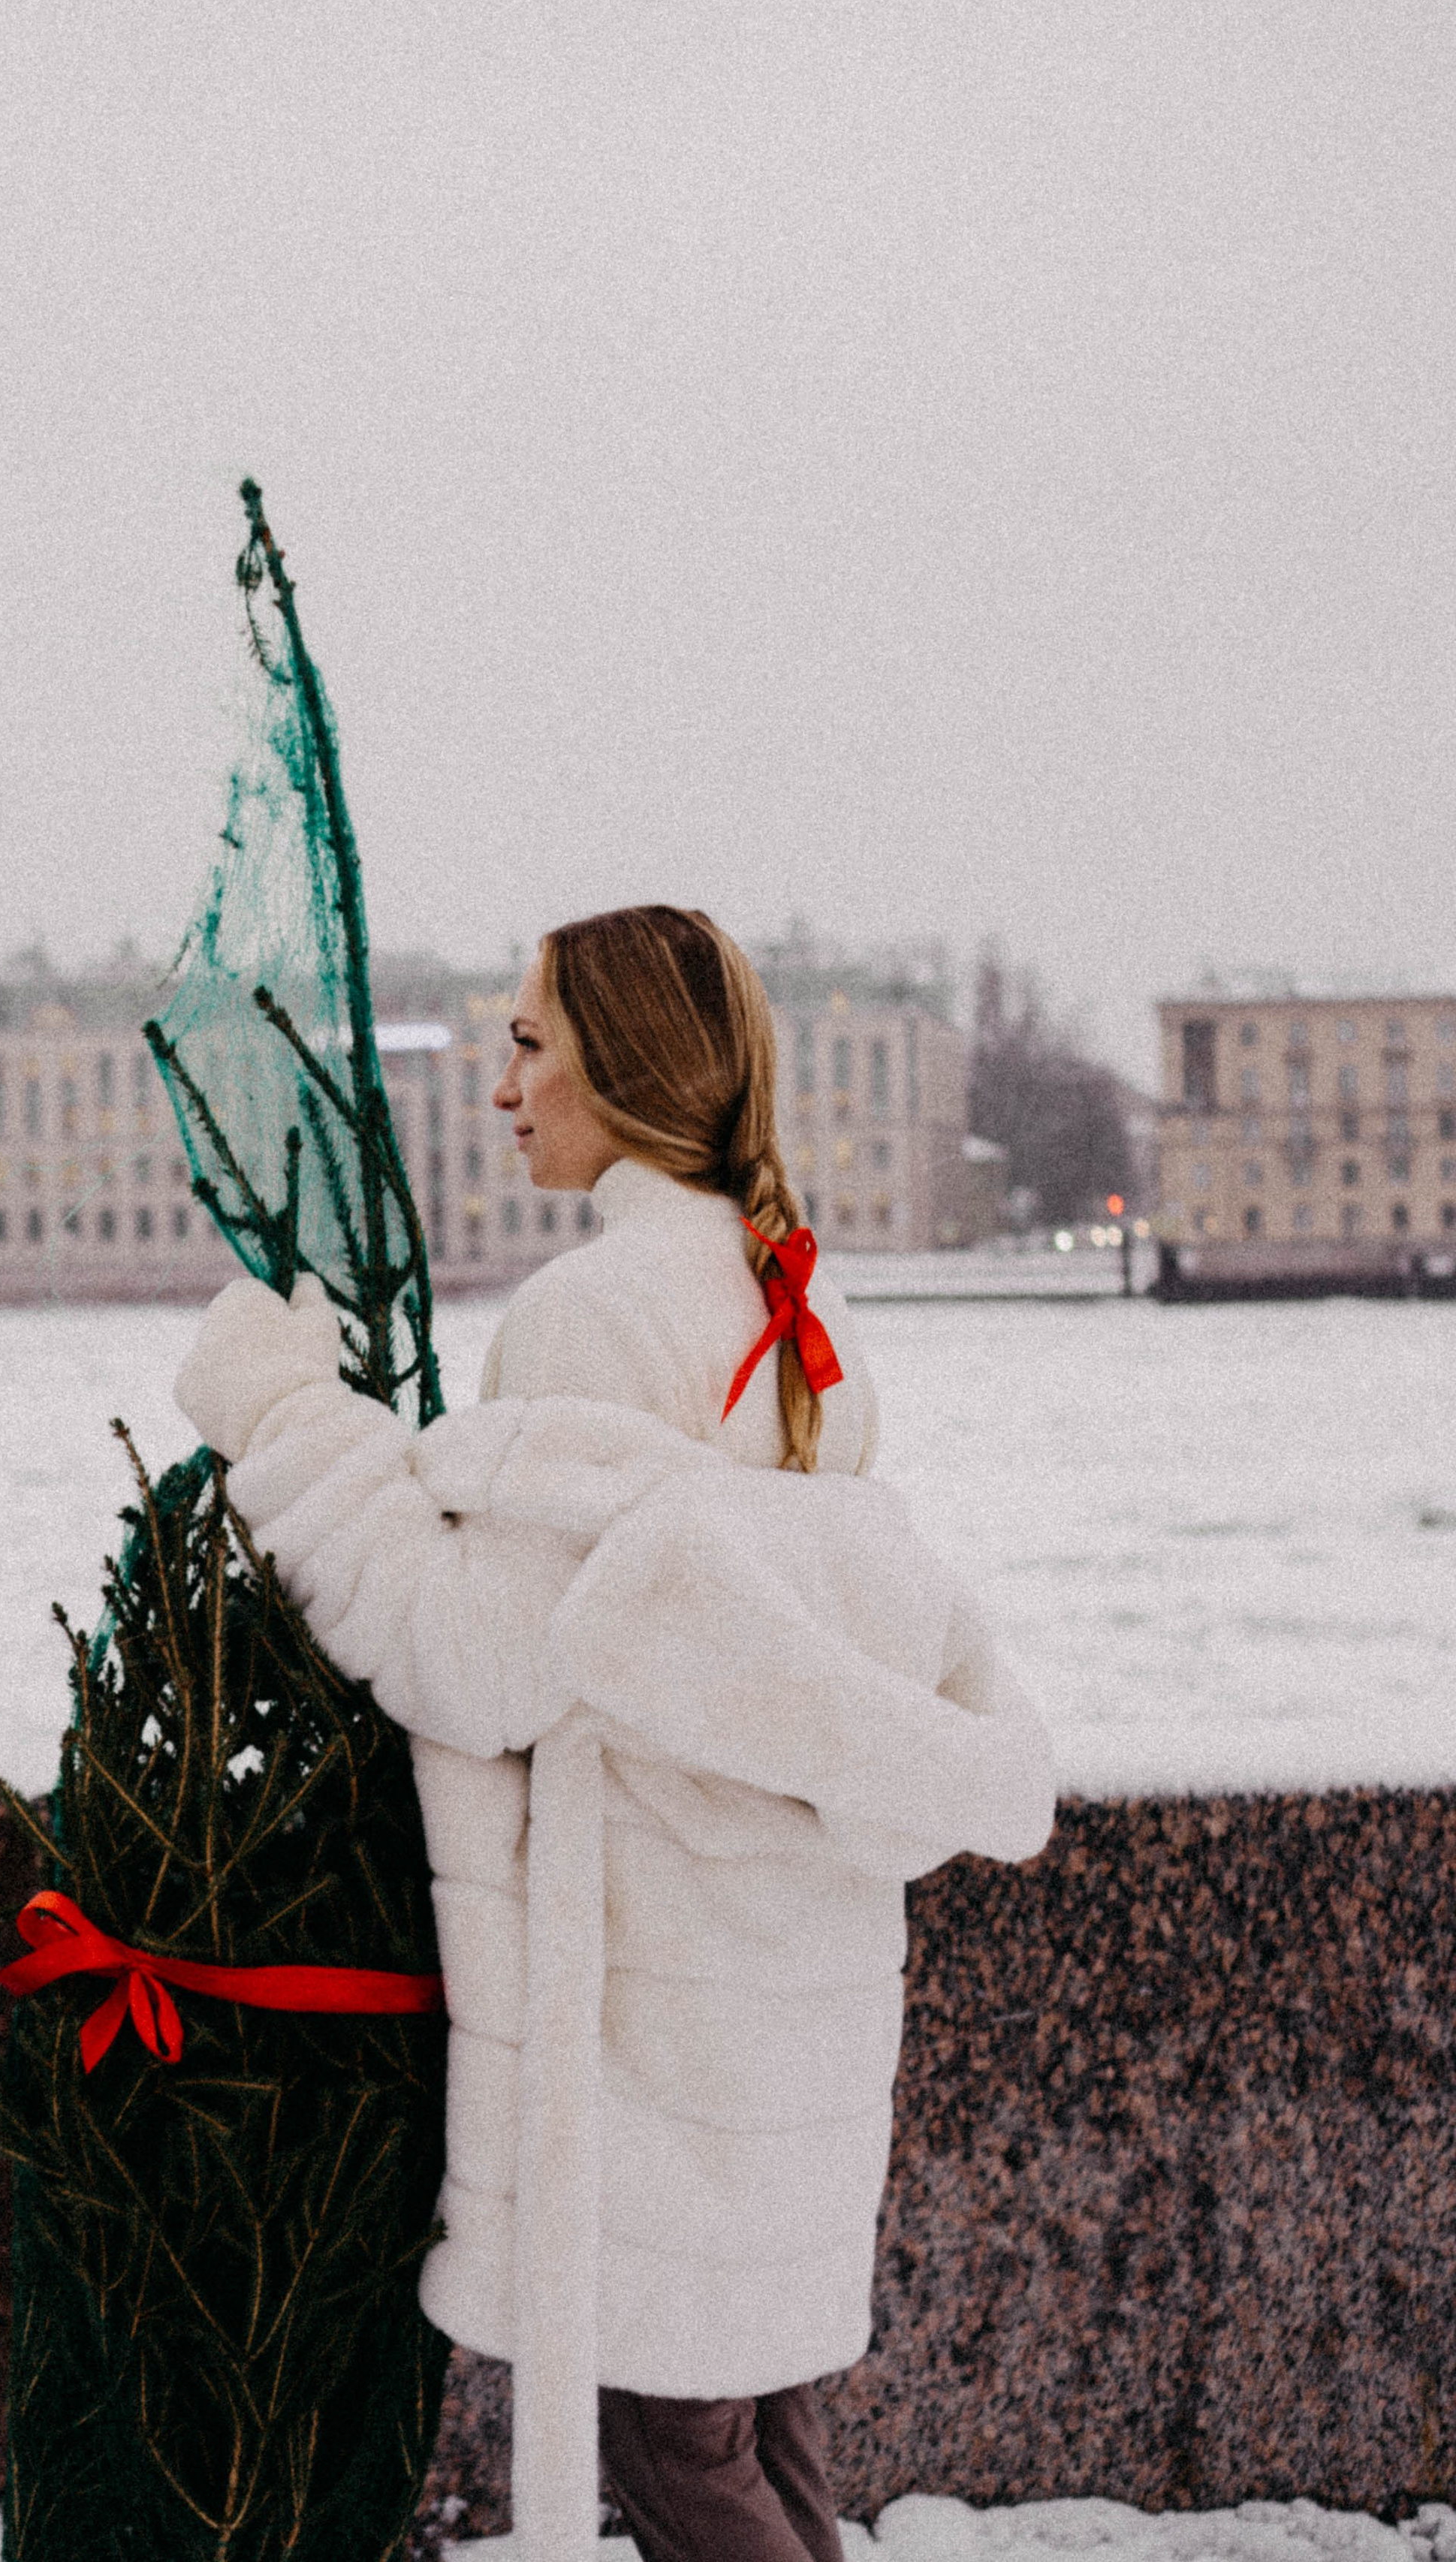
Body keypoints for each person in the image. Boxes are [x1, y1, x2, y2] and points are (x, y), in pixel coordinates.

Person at [176, 905, 1054, 2562]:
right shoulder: (804, 1310)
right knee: (754, 2435)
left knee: (677, 2455)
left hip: (642, 1999)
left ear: (622, 1065)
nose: (499, 1086)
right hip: (786, 1994)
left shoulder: (591, 1312)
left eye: (525, 1044)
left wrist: (286, 1421)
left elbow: (476, 1666)